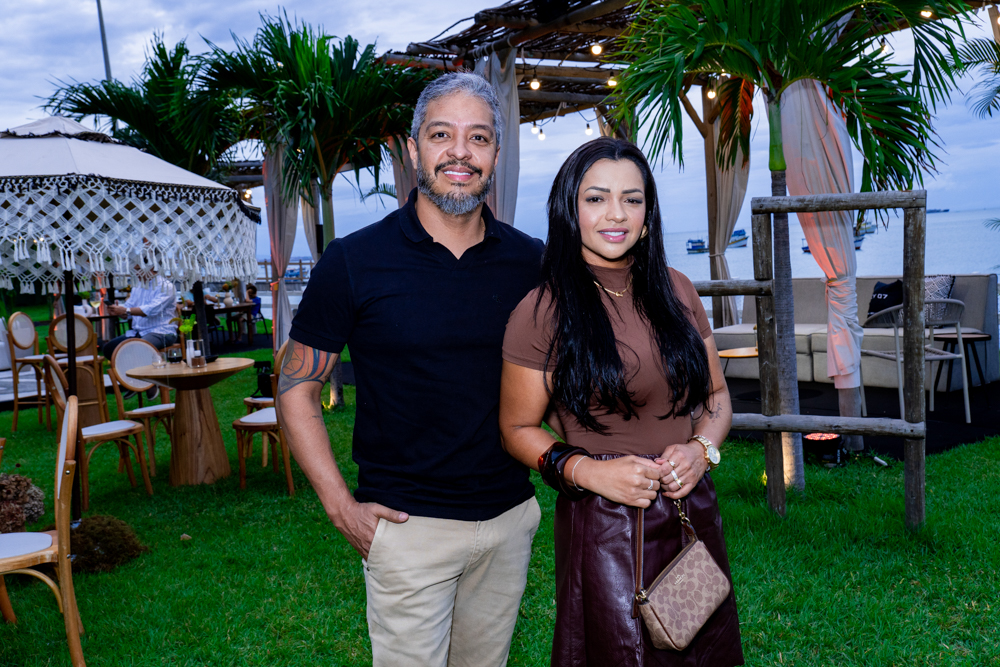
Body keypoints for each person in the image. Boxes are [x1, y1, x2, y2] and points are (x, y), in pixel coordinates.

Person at [277, 72, 544, 667]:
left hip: (508, 522)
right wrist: (340, 507)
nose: (460, 152)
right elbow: (295, 388)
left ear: (496, 154)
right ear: (413, 149)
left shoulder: (532, 262)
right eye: (441, 134)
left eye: (478, 138)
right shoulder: (354, 261)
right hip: (407, 529)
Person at [499, 137, 744, 666]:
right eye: (596, 198)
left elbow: (717, 397)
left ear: (648, 215)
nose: (616, 214)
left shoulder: (678, 290)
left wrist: (701, 450)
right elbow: (516, 429)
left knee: (704, 648)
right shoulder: (542, 310)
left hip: (691, 508)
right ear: (570, 210)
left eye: (632, 199)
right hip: (606, 523)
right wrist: (590, 472)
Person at [102, 268, 177, 359]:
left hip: (161, 332)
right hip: (139, 332)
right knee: (109, 349)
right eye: (135, 269)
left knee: (139, 349)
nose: (136, 272)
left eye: (138, 269)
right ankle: (129, 367)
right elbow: (128, 311)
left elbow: (150, 310)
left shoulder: (166, 286)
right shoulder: (137, 286)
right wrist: (117, 312)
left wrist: (125, 310)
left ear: (151, 267)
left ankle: (146, 366)